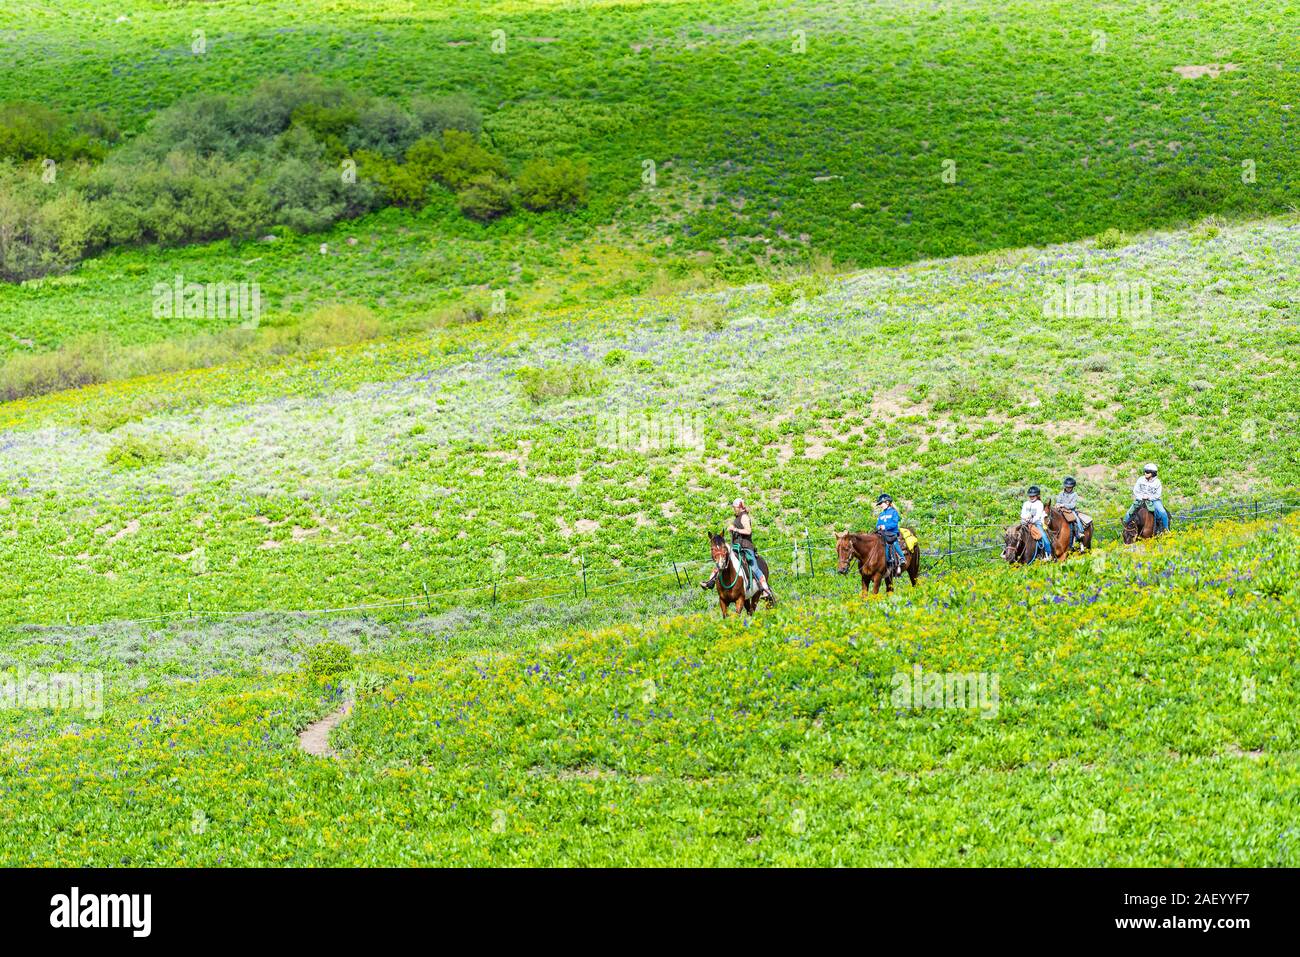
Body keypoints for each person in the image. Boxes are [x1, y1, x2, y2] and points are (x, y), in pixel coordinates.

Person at [701, 499, 773, 599]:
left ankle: (766, 590)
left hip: (746, 547)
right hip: (736, 547)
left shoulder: (744, 517)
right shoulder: (738, 517)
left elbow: (748, 531)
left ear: (739, 507)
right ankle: (710, 581)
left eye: (734, 507)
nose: (734, 509)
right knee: (723, 561)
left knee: (754, 567)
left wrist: (735, 529)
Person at [1124, 463, 1169, 533]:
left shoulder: (1157, 482)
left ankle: (1166, 529)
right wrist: (1141, 497)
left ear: (1153, 473)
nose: (1145, 473)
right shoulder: (1140, 479)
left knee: (1162, 512)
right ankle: (1126, 529)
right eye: (1145, 471)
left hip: (1154, 500)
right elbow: (1135, 490)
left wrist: (1149, 497)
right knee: (1128, 514)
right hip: (1140, 499)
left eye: (1147, 472)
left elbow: (1158, 494)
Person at [874, 493, 906, 572]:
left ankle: (901, 558)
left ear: (887, 502)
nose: (880, 505)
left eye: (881, 503)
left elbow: (894, 523)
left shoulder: (893, 512)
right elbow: (878, 524)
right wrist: (878, 527)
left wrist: (885, 527)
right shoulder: (881, 514)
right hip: (883, 534)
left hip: (892, 533)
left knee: (894, 543)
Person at [1021, 485, 1049, 560]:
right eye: (1030, 496)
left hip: (1036, 524)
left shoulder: (1039, 504)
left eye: (1033, 496)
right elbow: (1022, 514)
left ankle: (1048, 554)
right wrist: (1025, 519)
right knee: (1013, 534)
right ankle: (1007, 551)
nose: (1031, 497)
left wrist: (1031, 520)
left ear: (1037, 496)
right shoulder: (1025, 503)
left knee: (1044, 537)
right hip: (1025, 523)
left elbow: (1038, 516)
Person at [1057, 476, 1086, 546]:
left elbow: (1073, 505)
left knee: (1076, 519)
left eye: (1070, 487)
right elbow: (1058, 501)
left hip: (1071, 511)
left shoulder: (1074, 494)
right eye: (1067, 487)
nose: (1068, 488)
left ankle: (1080, 531)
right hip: (1061, 510)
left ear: (1072, 487)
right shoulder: (1061, 493)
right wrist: (1058, 504)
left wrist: (1063, 505)